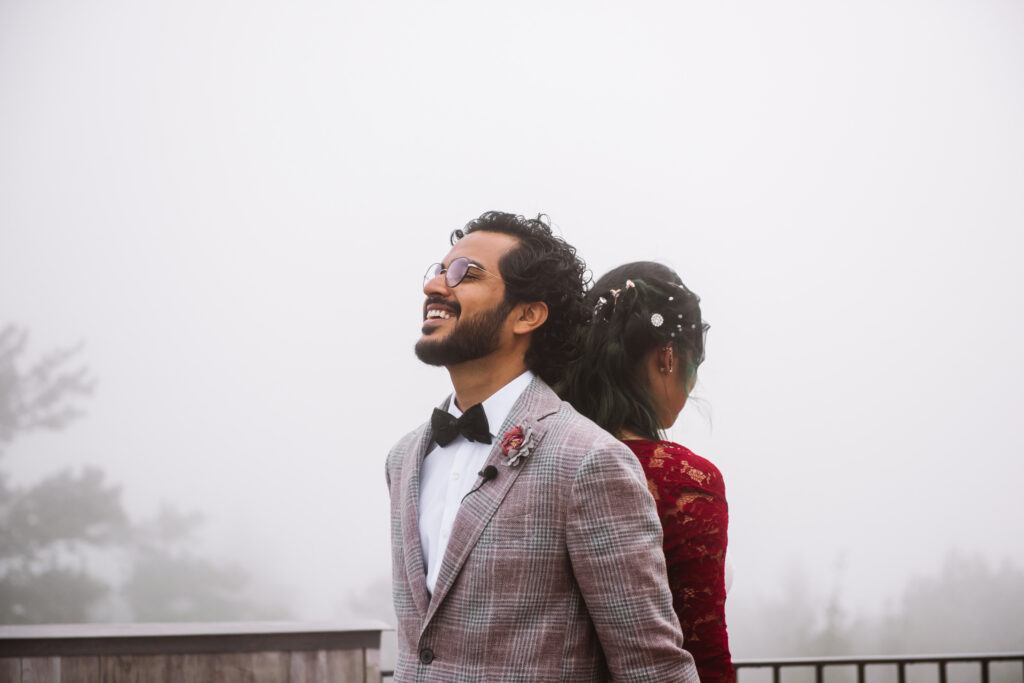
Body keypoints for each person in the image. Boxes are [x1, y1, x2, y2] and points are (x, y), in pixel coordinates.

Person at [385, 212, 700, 682]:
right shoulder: (404, 458)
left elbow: (651, 667)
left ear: (527, 314)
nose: (435, 286)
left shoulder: (589, 461)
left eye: (464, 274)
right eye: (437, 270)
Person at [560, 261, 735, 683]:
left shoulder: (538, 454)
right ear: (668, 357)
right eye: (696, 364)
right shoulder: (684, 481)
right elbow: (700, 649)